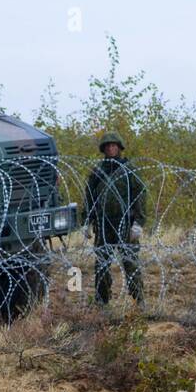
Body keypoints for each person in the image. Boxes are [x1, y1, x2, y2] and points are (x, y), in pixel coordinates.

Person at [83, 131, 146, 307]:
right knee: (102, 265)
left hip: (125, 223)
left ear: (119, 148)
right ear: (104, 149)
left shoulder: (128, 169)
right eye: (108, 146)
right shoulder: (98, 170)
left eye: (114, 146)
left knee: (130, 263)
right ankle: (102, 302)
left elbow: (140, 194)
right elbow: (89, 196)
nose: (111, 148)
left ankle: (139, 301)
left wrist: (139, 222)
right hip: (103, 224)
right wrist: (86, 221)